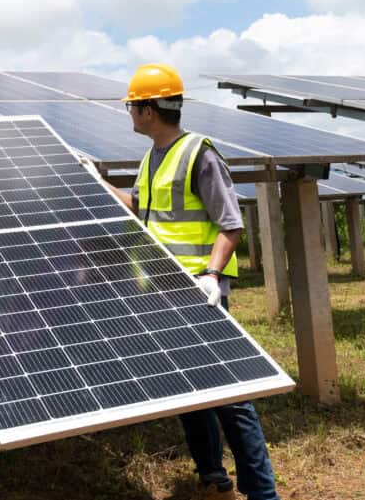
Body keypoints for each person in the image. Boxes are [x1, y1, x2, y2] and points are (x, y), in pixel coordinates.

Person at [100, 64, 280, 500]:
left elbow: (231, 224)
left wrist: (212, 275)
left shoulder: (200, 153)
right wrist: (100, 184)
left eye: (132, 106)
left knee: (230, 396)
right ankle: (212, 474)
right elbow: (141, 208)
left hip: (201, 292)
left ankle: (263, 493)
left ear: (147, 110)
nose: (129, 113)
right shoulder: (151, 159)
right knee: (189, 386)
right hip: (163, 291)